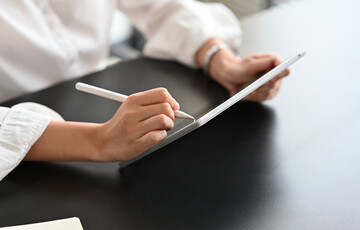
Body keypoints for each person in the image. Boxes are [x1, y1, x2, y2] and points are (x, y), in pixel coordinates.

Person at [0, 0, 289, 180]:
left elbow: (160, 4)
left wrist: (218, 58)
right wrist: (98, 141)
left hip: (91, 97)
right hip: (23, 153)